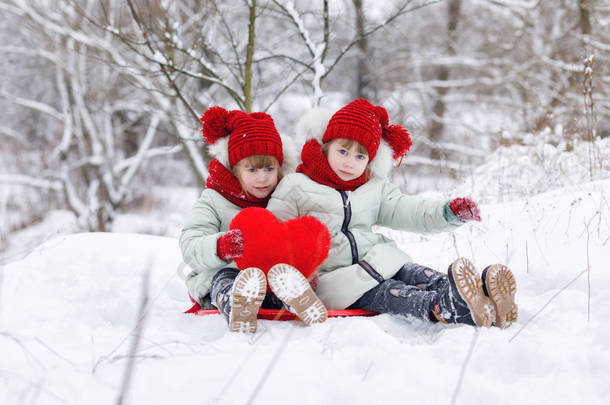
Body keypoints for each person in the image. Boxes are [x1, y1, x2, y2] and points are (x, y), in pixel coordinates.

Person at [267, 99, 518, 328]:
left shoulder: (373, 187)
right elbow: (272, 236)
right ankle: (447, 307)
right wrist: (292, 280)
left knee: (418, 274)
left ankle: (483, 296)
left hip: (379, 260)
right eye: (342, 151)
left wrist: (447, 213)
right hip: (338, 283)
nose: (349, 163)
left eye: (359, 156)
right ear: (326, 146)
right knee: (392, 293)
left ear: (370, 159)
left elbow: (408, 209)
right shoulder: (296, 185)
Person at [180, 106, 327, 334]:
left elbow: (302, 235)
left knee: (283, 274)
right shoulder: (214, 199)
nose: (263, 178)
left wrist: (306, 266)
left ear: (280, 166)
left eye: (269, 168)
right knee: (225, 279)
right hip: (227, 271)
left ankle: (295, 297)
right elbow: (190, 243)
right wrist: (219, 247)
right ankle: (236, 303)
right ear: (236, 169)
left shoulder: (286, 196)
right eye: (252, 170)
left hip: (272, 275)